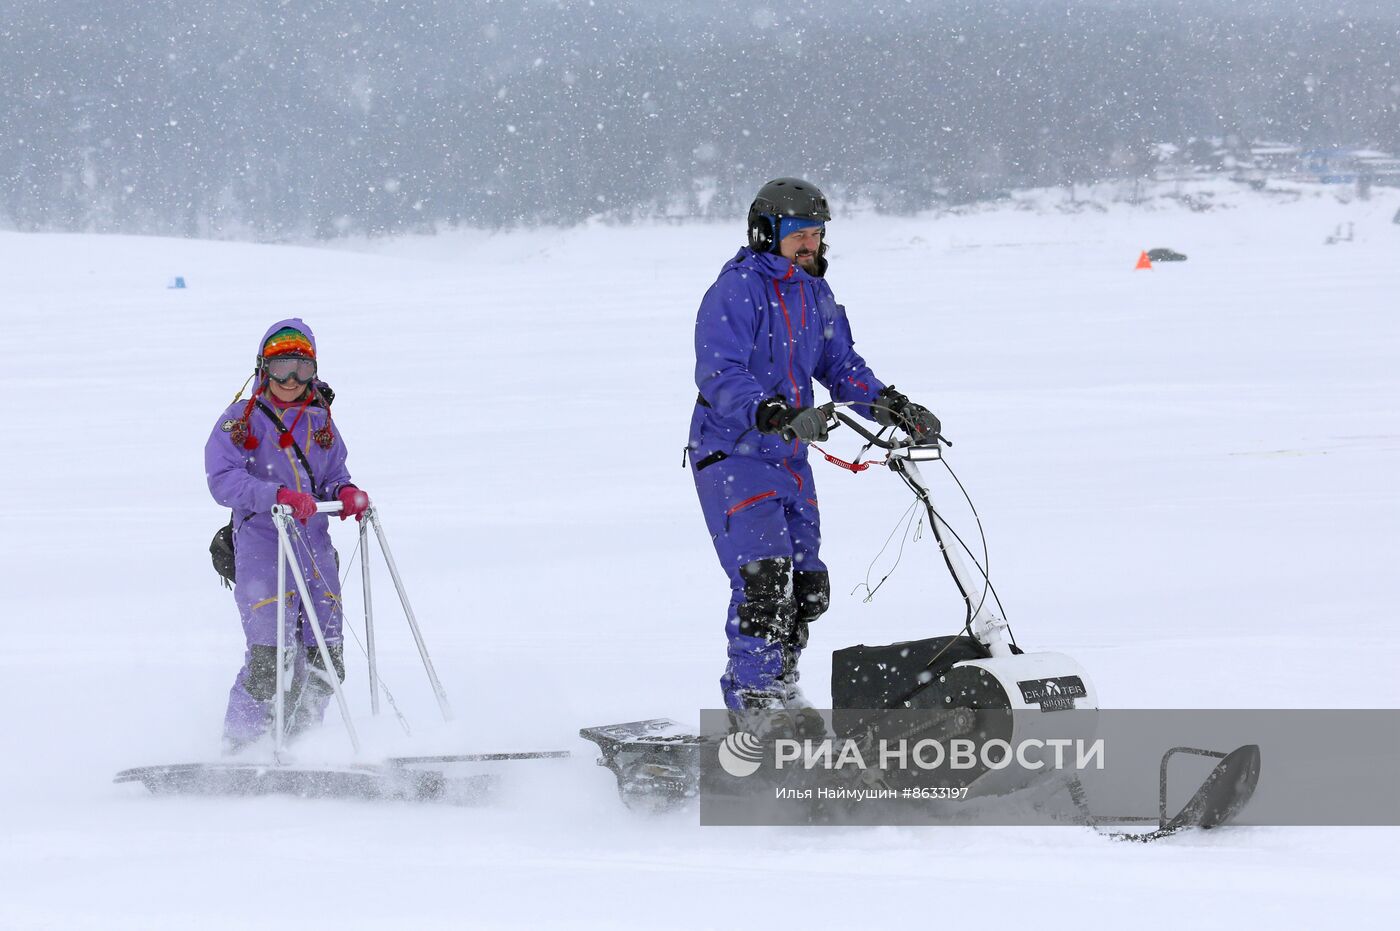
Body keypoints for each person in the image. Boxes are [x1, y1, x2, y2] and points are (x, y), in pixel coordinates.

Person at [687, 177, 941, 736]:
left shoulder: (814, 293)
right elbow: (719, 371)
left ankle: (781, 686)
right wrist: (771, 412)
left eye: (816, 235)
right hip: (733, 455)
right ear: (764, 233)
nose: (809, 245)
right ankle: (755, 700)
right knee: (763, 583)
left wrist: (890, 406)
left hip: (790, 459)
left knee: (805, 587)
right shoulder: (735, 291)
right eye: (798, 234)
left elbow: (841, 366)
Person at [204, 319, 370, 753]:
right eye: (281, 369)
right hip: (263, 546)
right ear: (263, 369)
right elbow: (222, 479)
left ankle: (302, 742)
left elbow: (333, 473)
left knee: (325, 659)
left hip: (314, 548)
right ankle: (241, 747)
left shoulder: (320, 419)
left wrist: (345, 492)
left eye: (302, 368)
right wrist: (273, 494)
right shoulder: (240, 420)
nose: (292, 380)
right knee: (269, 661)